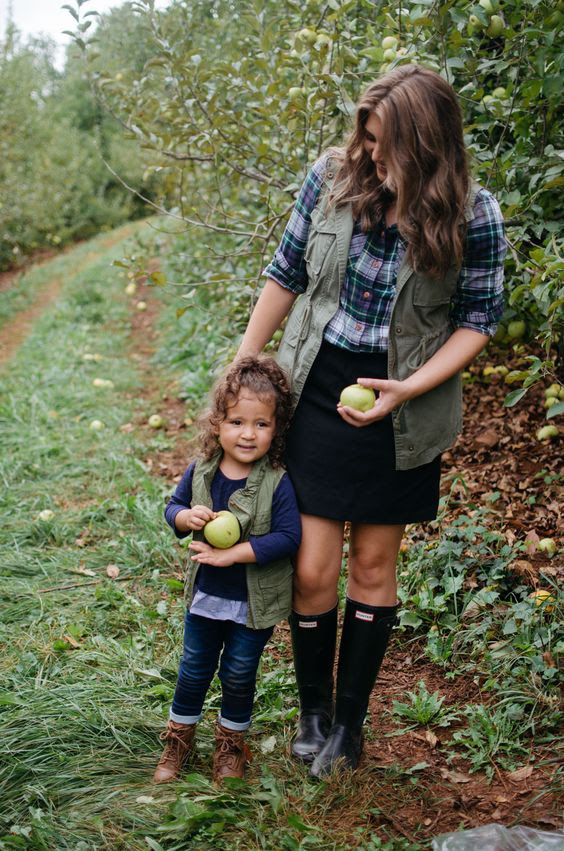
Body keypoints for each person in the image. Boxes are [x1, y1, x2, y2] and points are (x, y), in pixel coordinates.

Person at [237, 64, 506, 778]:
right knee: (315, 568)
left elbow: (478, 319)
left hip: (401, 402)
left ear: (426, 146)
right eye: (366, 138)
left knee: (374, 564)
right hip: (321, 386)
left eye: (386, 144)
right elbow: (285, 272)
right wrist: (243, 365)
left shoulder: (474, 214)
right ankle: (312, 712)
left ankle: (349, 727)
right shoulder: (331, 178)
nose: (372, 155)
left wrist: (410, 386)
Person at [153, 356, 301, 783]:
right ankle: (177, 740)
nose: (248, 433)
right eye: (237, 421)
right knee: (194, 667)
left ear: (275, 430)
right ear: (217, 423)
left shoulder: (276, 480)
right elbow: (172, 509)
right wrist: (186, 519)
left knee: (238, 673)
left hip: (251, 603)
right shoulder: (201, 471)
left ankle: (230, 747)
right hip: (206, 596)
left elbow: (289, 537)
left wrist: (234, 553)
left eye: (261, 424)